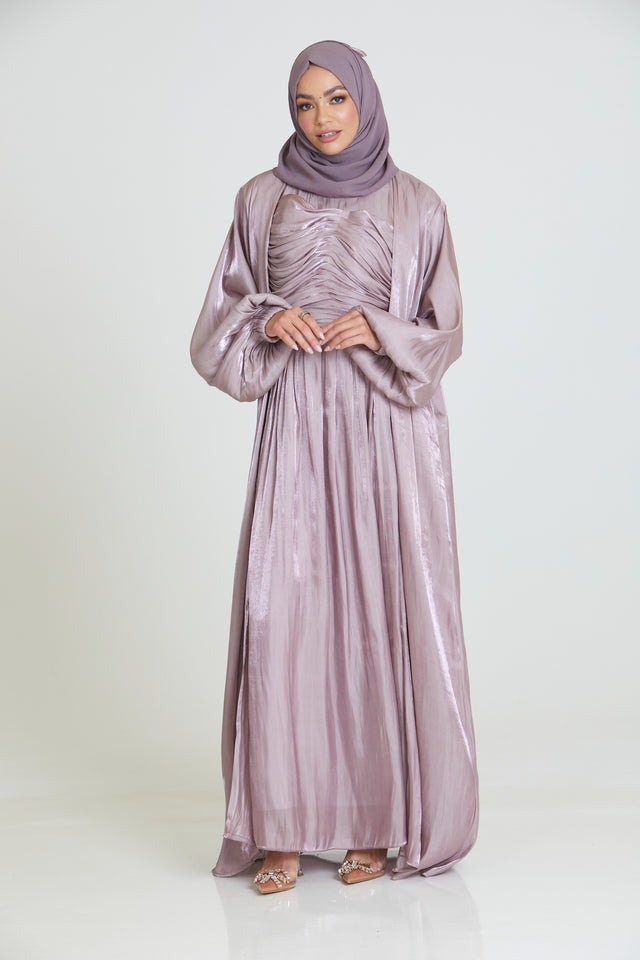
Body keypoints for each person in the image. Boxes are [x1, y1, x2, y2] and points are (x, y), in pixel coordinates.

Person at [190, 40, 479, 894]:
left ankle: (374, 822)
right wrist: (268, 319)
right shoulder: (260, 199)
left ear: (365, 101)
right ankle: (280, 827)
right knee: (285, 615)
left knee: (377, 615)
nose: (322, 119)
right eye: (305, 104)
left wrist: (380, 330)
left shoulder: (418, 205)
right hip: (297, 424)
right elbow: (219, 323)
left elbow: (446, 333)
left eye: (337, 99)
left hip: (385, 430)